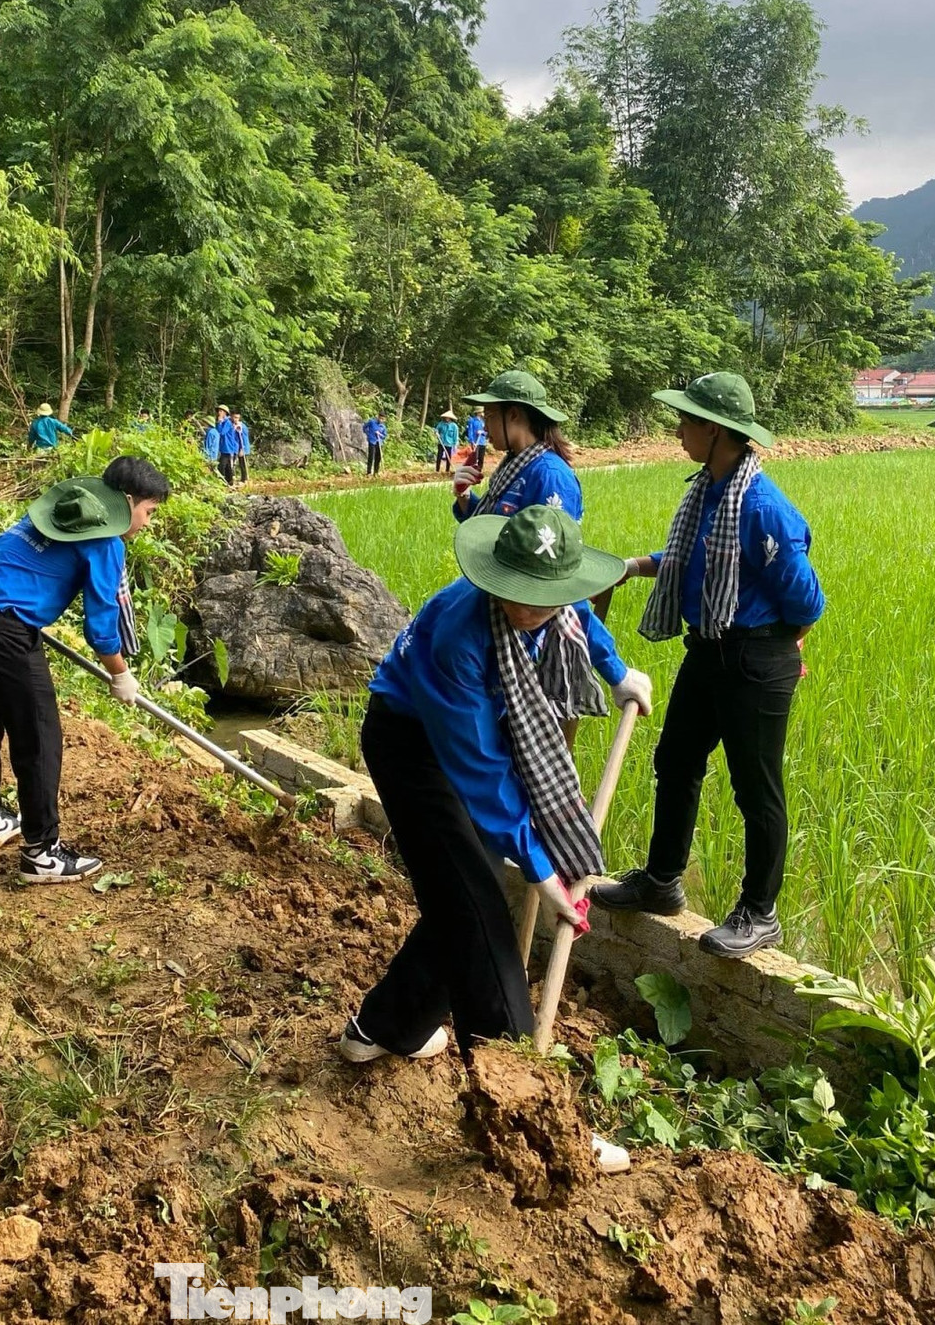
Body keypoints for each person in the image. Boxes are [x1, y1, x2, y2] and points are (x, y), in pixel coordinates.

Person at [339, 504, 631, 1061]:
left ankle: (382, 1028)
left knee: (465, 894)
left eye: (544, 596)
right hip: (411, 745)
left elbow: (578, 621)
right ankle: (520, 1094)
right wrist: (541, 871)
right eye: (516, 591)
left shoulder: (554, 606)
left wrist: (617, 673)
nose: (529, 607)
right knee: (477, 904)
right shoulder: (460, 634)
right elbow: (483, 768)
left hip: (461, 741)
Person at [591, 373, 825, 959]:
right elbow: (696, 557)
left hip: (756, 660)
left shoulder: (763, 507)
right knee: (675, 761)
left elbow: (806, 602)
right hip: (709, 648)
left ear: (718, 431)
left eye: (688, 421)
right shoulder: (709, 493)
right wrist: (635, 565)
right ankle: (663, 880)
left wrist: (781, 650)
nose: (678, 431)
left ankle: (759, 912)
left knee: (756, 787)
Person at [0, 457, 170, 882]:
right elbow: (101, 623)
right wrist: (120, 673)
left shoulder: (57, 511)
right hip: (5, 633)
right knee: (39, 737)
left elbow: (1, 555)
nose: (146, 522)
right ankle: (42, 852)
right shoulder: (106, 540)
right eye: (149, 512)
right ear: (127, 503)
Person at [452, 370, 651, 717]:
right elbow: (500, 548)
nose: (484, 427)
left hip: (527, 633)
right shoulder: (513, 466)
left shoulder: (550, 476)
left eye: (489, 416)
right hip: (495, 621)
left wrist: (615, 671)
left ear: (514, 415)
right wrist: (467, 500)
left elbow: (556, 582)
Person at [215, 406, 239, 484]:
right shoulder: (223, 421)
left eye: (221, 411)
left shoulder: (227, 422)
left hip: (227, 446)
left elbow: (222, 432)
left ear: (225, 413)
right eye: (219, 411)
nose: (219, 413)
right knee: (228, 465)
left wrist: (219, 422)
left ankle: (222, 480)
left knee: (222, 465)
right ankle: (230, 480)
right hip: (224, 446)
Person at [362, 411, 386, 476]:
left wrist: (380, 434)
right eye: (380, 418)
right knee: (371, 456)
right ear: (378, 417)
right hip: (372, 441)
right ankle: (369, 472)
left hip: (379, 442)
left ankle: (376, 472)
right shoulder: (372, 422)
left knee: (378, 457)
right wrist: (368, 434)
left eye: (383, 419)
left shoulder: (383, 427)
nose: (381, 420)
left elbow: (384, 436)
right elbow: (364, 427)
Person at [233, 412, 250, 482]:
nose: (235, 419)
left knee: (243, 463)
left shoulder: (242, 426)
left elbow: (244, 438)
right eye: (234, 417)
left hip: (243, 447)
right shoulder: (232, 425)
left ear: (239, 418)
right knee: (235, 462)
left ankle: (244, 478)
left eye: (236, 418)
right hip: (236, 447)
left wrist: (242, 449)